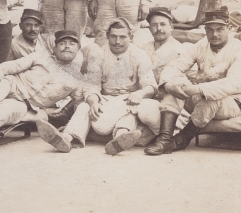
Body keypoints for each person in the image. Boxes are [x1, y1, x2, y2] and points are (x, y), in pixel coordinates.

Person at [38, 18, 160, 155]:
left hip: (129, 99)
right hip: (107, 99)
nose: (117, 41)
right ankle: (66, 138)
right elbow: (91, 85)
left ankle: (120, 138)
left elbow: (150, 85)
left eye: (122, 37)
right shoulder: (99, 55)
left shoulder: (139, 55)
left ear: (130, 37)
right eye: (113, 36)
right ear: (107, 36)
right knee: (85, 107)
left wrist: (140, 94)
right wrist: (93, 101)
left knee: (132, 112)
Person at [144, 7, 241, 156]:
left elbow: (231, 84)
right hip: (199, 96)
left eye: (220, 29)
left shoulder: (239, 50)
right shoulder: (202, 44)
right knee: (176, 85)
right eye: (210, 30)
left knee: (212, 98)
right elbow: (175, 65)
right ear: (205, 30)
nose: (214, 34)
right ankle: (165, 139)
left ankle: (182, 139)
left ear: (229, 28)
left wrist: (196, 89)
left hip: (231, 103)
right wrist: (169, 84)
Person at [0, 29, 84, 134]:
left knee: (6, 112)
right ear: (54, 48)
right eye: (62, 43)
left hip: (27, 105)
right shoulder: (40, 56)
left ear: (78, 49)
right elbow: (9, 66)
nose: (67, 46)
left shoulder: (76, 80)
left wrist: (70, 128)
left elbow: (78, 105)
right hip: (10, 85)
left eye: (72, 43)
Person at [139, 6, 185, 84]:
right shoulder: (143, 49)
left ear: (171, 27)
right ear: (149, 28)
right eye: (154, 25)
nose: (159, 28)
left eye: (163, 24)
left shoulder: (179, 50)